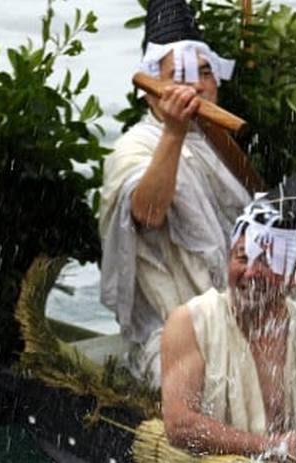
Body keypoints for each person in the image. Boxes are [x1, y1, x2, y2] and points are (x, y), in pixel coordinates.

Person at [160, 195, 296, 463]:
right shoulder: (191, 323)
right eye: (242, 257)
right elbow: (180, 426)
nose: (251, 272)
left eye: (266, 261)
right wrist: (272, 446)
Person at [100, 0, 248, 385]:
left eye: (204, 72)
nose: (197, 85)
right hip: (175, 333)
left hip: (246, 316)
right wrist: (174, 132)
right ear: (153, 91)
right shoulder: (133, 149)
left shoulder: (218, 144)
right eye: (179, 75)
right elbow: (147, 212)